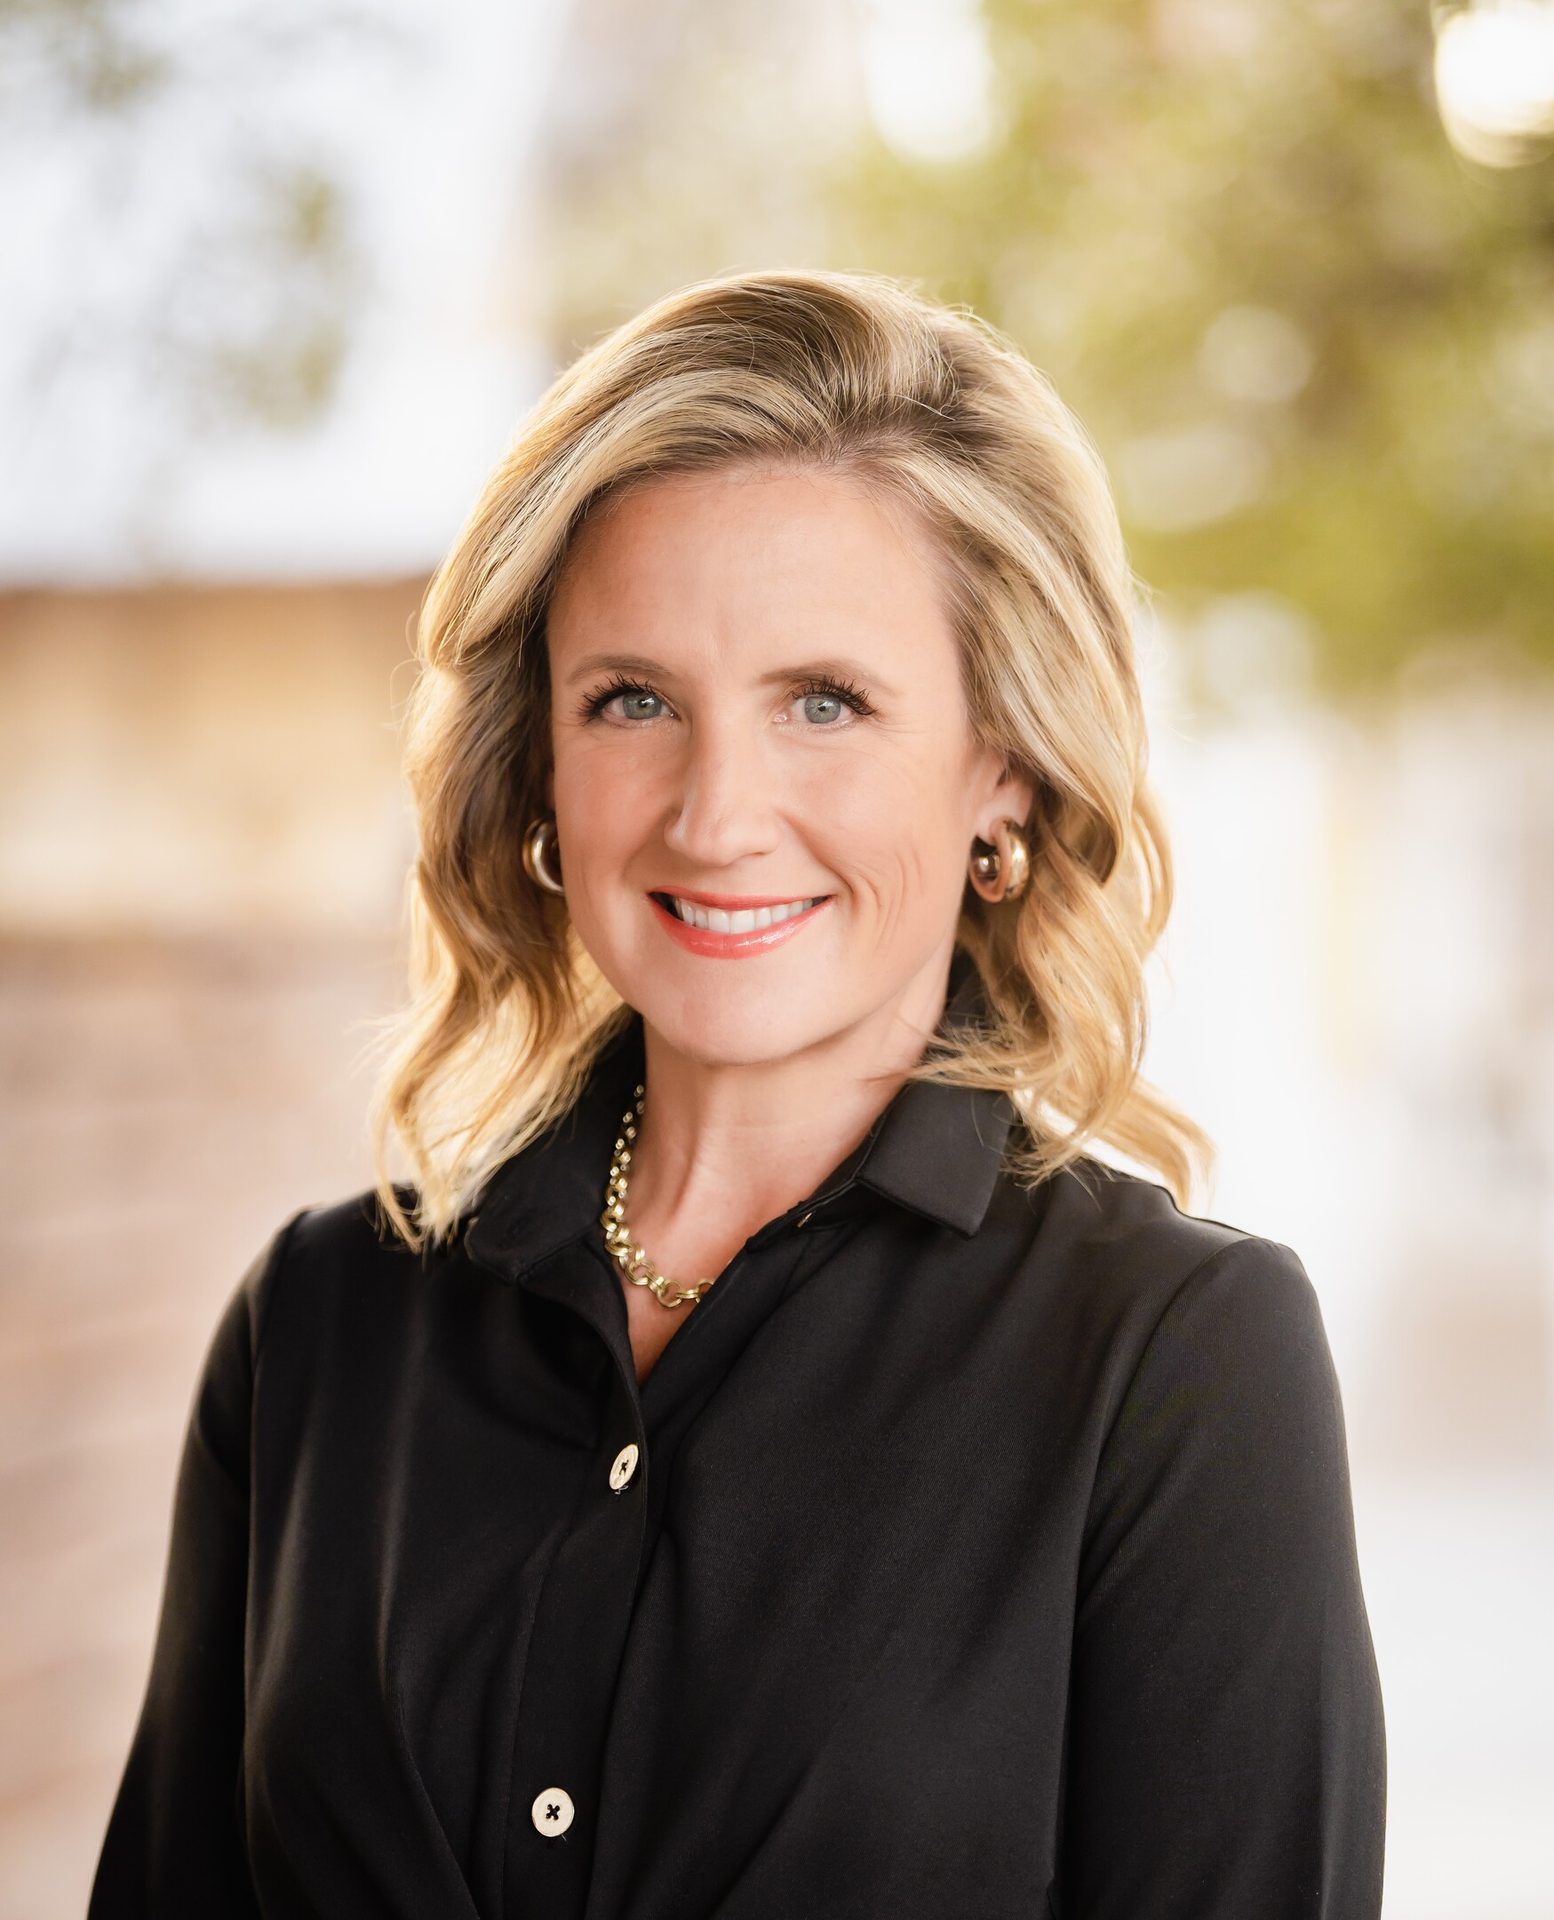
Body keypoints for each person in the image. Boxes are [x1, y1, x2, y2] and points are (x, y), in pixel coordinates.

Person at [88, 267, 1386, 1918]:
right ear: (541, 767)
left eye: (822, 703)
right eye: (631, 701)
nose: (714, 815)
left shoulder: (1174, 1364)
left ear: (1000, 766)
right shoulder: (320, 1327)